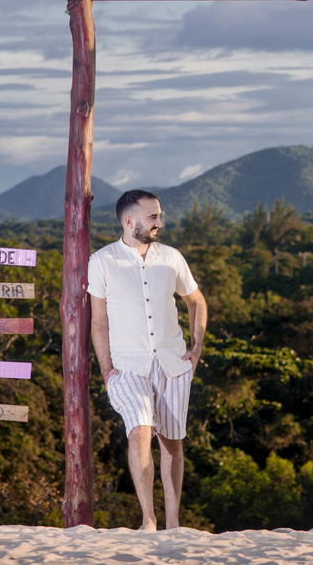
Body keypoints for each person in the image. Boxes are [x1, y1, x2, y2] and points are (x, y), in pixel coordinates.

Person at [88, 189, 207, 531]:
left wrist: (196, 348)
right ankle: (148, 520)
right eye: (153, 217)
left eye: (159, 215)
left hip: (172, 361)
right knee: (139, 430)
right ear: (129, 221)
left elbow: (196, 301)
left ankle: (172, 523)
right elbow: (98, 322)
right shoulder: (103, 261)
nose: (160, 222)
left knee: (171, 442)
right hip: (126, 367)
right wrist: (107, 369)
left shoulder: (171, 257)